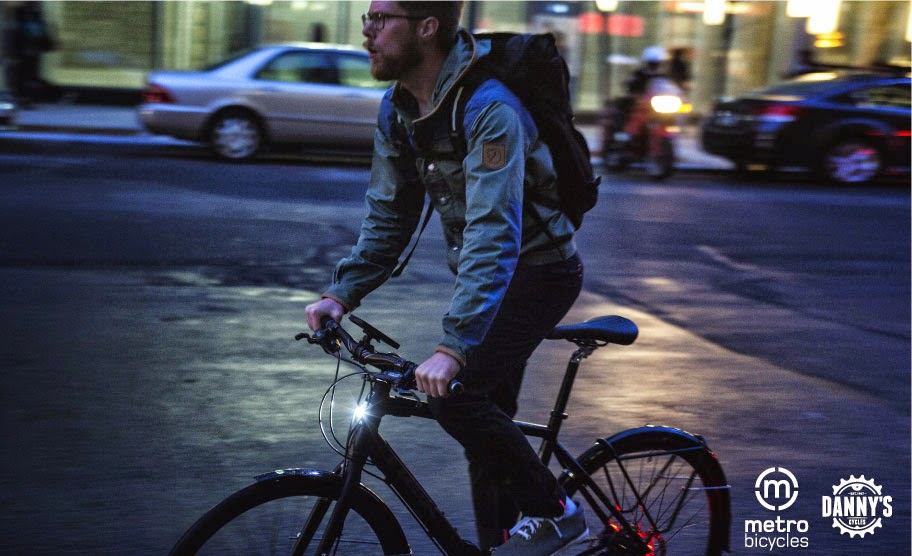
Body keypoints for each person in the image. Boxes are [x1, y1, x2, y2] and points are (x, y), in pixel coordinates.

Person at [304, 2, 587, 554]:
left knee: (456, 396)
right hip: (489, 276)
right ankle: (500, 544)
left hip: (541, 273)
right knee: (482, 426)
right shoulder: (398, 109)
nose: (367, 31)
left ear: (427, 28)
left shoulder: (489, 109)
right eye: (366, 17)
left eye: (381, 19)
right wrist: (342, 292)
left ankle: (556, 512)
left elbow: (493, 234)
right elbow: (389, 216)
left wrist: (455, 346)